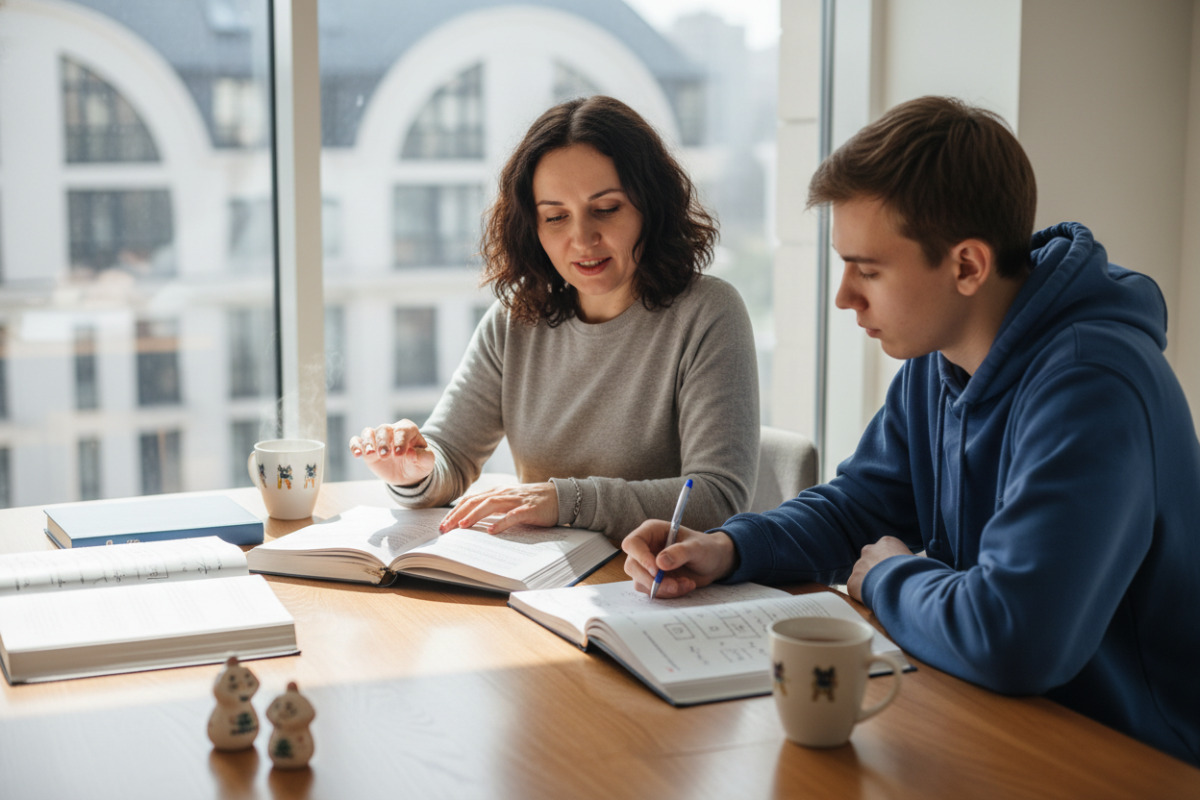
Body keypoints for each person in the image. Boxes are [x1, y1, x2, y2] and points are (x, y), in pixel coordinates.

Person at [622, 96, 1200, 765]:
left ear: (966, 266)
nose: (845, 296)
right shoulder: (939, 360)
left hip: (1130, 760)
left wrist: (890, 577)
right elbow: (859, 510)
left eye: (868, 269)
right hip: (993, 721)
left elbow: (1013, 637)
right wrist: (728, 547)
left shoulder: (1092, 386)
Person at [350, 95, 760, 542]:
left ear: (651, 207)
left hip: (650, 585)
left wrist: (565, 501)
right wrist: (414, 470)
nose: (582, 238)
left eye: (606, 209)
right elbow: (449, 455)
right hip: (543, 582)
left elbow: (716, 498)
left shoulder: (708, 313)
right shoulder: (516, 319)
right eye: (556, 217)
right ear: (533, 226)